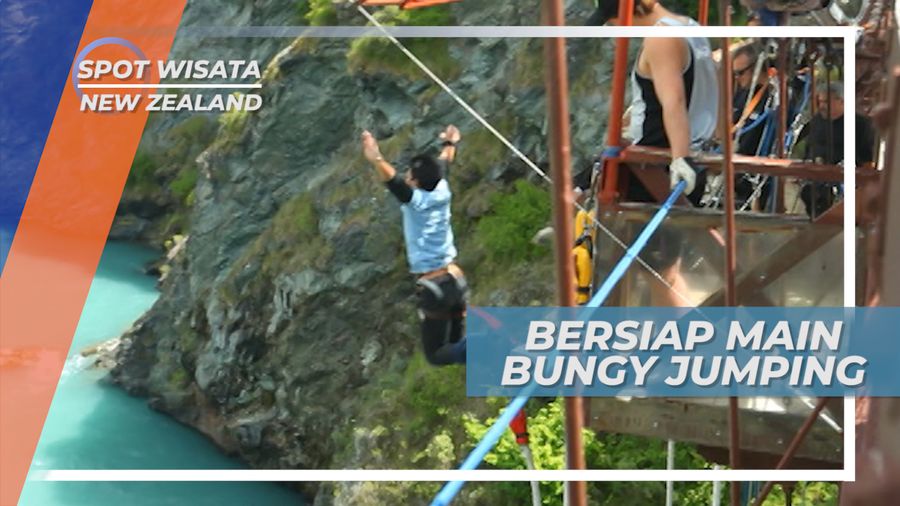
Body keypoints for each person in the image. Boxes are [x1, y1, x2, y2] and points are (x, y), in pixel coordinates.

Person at [590, 0, 720, 306]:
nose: (614, 27)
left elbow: (674, 100)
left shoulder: (661, 38)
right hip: (684, 157)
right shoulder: (690, 28)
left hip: (655, 168)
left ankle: (676, 334)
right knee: (660, 271)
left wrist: (680, 157)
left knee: (659, 274)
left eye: (613, 19)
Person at [361, 125, 468, 366]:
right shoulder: (442, 188)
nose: (407, 176)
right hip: (455, 278)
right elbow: (444, 161)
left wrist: (376, 158)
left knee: (437, 356)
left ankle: (487, 346)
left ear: (415, 182)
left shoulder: (415, 201)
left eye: (410, 175)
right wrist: (450, 143)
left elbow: (393, 180)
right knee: (457, 348)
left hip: (435, 286)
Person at [798, 81, 876, 217]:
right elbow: (809, 147)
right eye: (820, 102)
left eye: (826, 102)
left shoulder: (860, 125)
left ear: (842, 101)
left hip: (844, 181)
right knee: (809, 195)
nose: (822, 106)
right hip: (815, 177)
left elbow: (867, 158)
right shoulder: (816, 121)